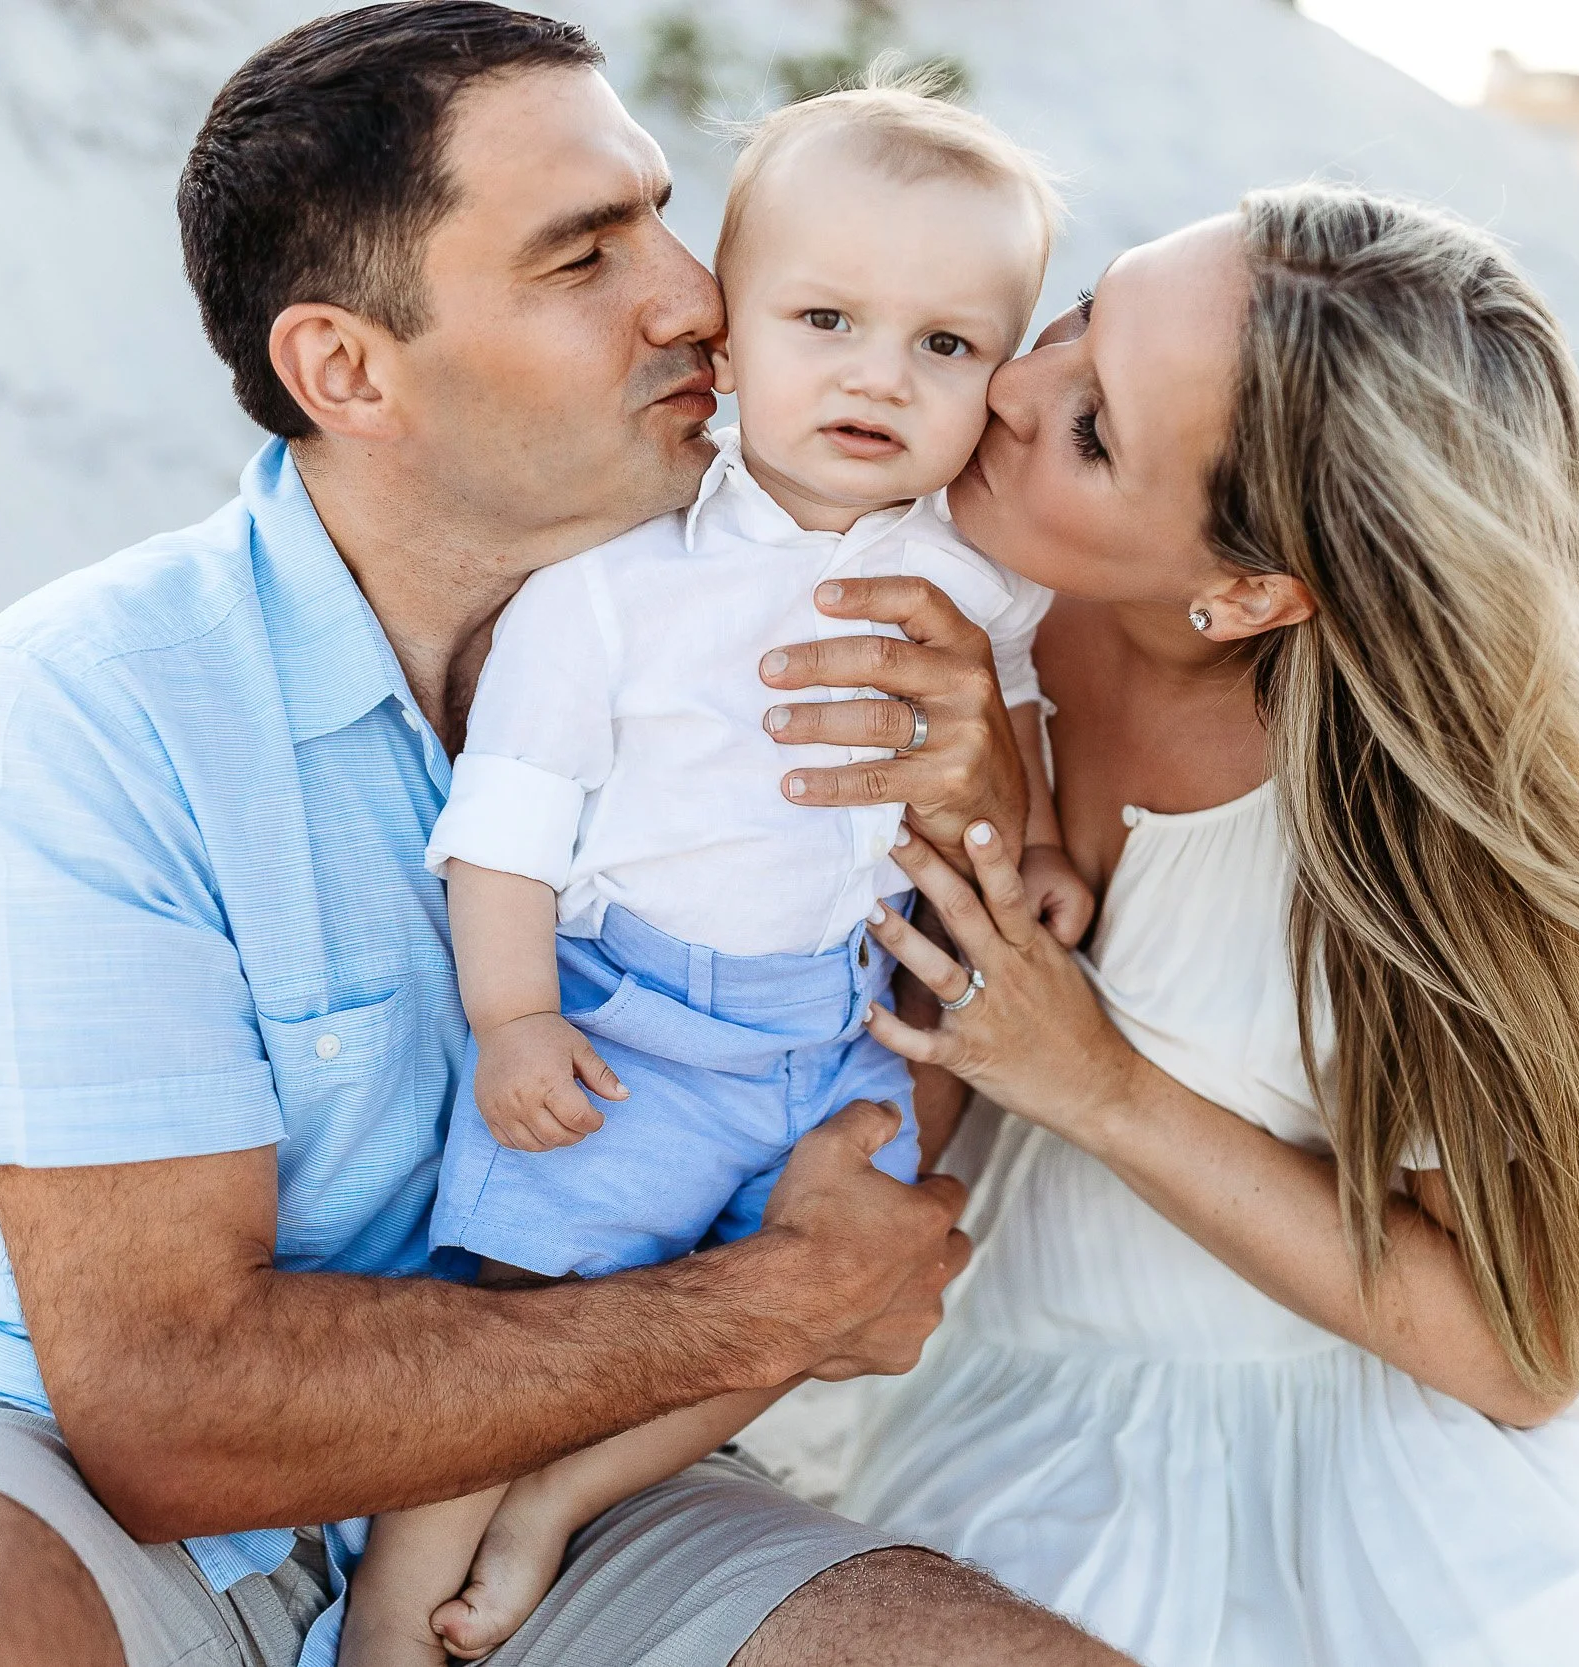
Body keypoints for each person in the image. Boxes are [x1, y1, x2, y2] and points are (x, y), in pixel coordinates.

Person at [0, 9, 1131, 1667]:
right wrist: (765, 1305)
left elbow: (876, 1100)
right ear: (349, 370)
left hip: (588, 1464)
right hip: (113, 1487)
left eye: (662, 211)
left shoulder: (821, 616)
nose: (691, 295)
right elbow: (165, 1407)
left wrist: (982, 806)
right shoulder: (93, 701)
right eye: (587, 257)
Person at [836, 184, 1579, 1664]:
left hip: (1388, 1453)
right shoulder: (957, 571)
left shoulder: (1431, 848)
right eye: (1087, 310)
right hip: (1041, 1373)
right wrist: (979, 811)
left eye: (1096, 427)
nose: (1012, 387)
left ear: (1247, 591)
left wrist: (1101, 1083)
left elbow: (1526, 1353)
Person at [339, 80, 1090, 1667]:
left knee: (814, 1298)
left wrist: (1033, 853)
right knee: (513, 1314)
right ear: (725, 337)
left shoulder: (974, 582)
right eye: (827, 318)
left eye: (946, 346)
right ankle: (389, 1634)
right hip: (642, 1031)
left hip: (835, 1031)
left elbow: (1018, 729)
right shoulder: (614, 590)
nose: (880, 375)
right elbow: (508, 824)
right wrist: (516, 1018)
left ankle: (558, 1505)